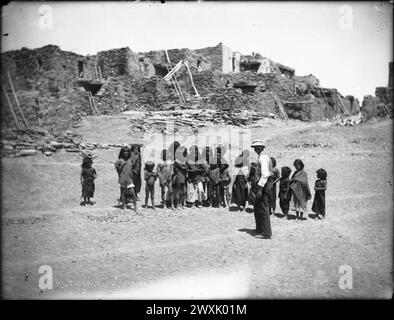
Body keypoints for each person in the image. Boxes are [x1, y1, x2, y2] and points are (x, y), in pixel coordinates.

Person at [251, 139, 272, 239]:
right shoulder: (261, 157)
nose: (256, 149)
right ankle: (260, 229)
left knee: (263, 209)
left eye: (258, 147)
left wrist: (259, 189)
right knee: (258, 208)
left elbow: (265, 175)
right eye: (255, 147)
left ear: (262, 148)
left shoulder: (263, 158)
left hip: (263, 186)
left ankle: (266, 233)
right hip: (261, 185)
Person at [115, 147, 138, 213]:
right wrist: (122, 166)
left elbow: (132, 168)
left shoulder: (130, 160)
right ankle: (124, 205)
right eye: (124, 151)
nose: (126, 153)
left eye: (127, 151)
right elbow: (118, 171)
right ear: (122, 152)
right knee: (123, 193)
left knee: (133, 193)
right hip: (122, 178)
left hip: (129, 179)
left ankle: (135, 206)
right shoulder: (119, 161)